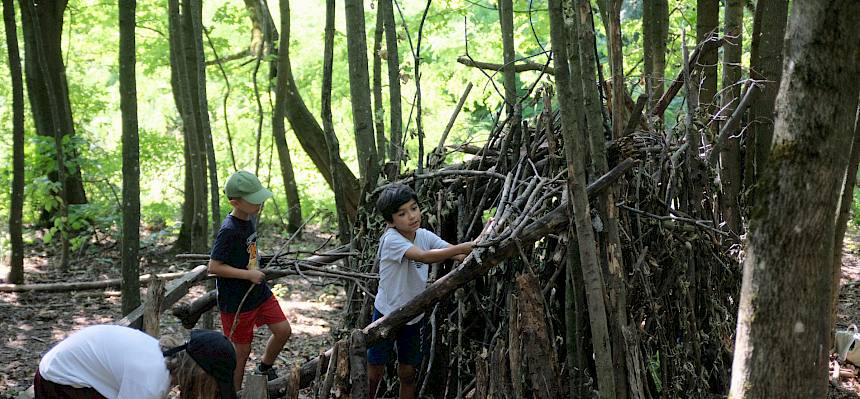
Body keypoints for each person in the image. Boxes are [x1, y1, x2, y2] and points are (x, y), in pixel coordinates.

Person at [367, 183, 477, 399]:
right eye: (402, 213)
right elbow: (423, 257)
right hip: (386, 314)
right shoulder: (391, 240)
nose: (411, 216)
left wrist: (476, 246)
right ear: (390, 222)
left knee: (408, 373)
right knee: (374, 373)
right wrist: (465, 247)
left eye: (414, 208)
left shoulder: (423, 235)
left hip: (414, 316)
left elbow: (453, 252)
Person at [208, 170, 291, 390]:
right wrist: (248, 274)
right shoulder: (229, 230)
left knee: (283, 330)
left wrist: (256, 263)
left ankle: (264, 367)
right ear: (235, 202)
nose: (260, 204)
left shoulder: (248, 220)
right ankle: (233, 393)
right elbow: (214, 267)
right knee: (241, 352)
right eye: (254, 201)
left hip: (258, 293)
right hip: (237, 301)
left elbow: (247, 251)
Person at [34, 325, 237, 399]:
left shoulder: (162, 356)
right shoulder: (151, 382)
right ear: (201, 376)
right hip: (58, 382)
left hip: (69, 373)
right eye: (215, 390)